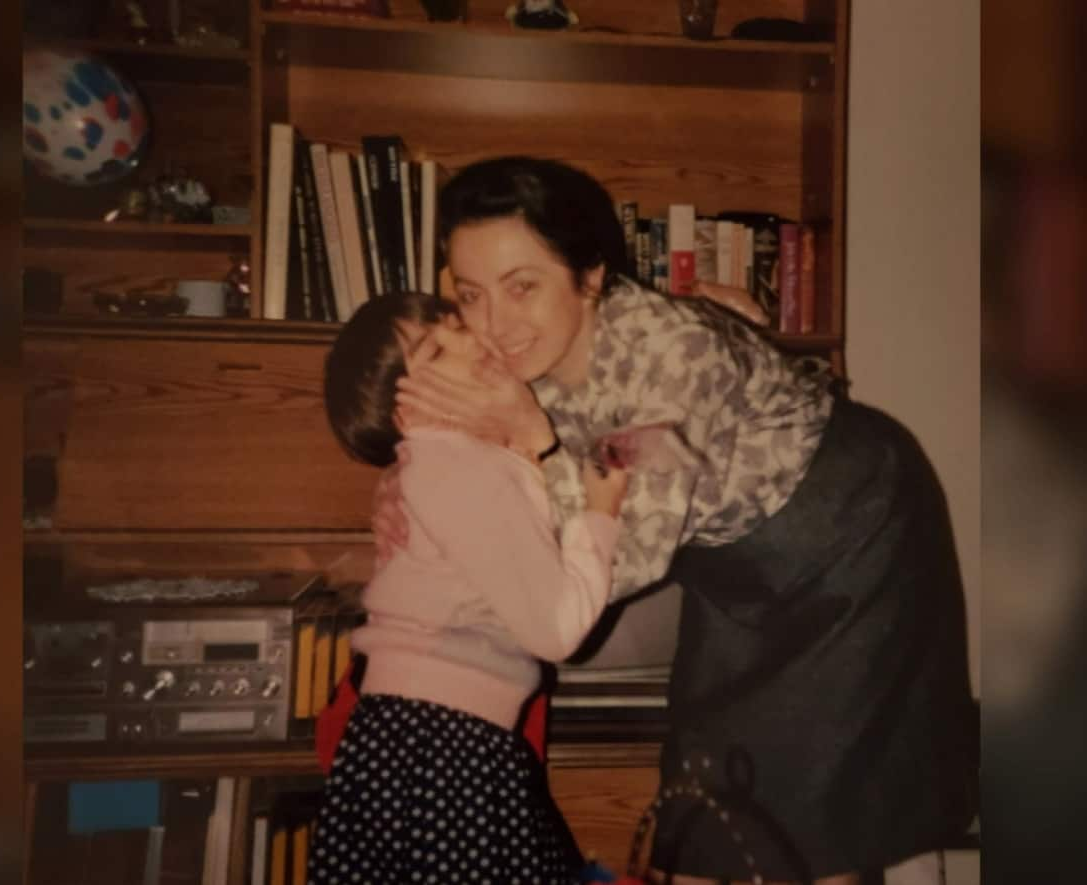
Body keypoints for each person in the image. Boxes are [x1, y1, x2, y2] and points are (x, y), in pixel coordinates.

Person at [382, 156, 979, 884]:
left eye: (522, 287)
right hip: (737, 561)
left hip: (854, 531)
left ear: (592, 274)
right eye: (470, 295)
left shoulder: (672, 362)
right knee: (701, 809)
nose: (494, 324)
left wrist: (528, 437)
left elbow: (615, 556)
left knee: (824, 823)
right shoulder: (527, 361)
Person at [313, 289, 629, 884]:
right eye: (436, 349)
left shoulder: (455, 459)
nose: (471, 340)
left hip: (429, 737)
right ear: (409, 411)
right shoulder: (459, 467)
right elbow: (557, 629)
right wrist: (602, 511)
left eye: (452, 322)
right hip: (446, 744)